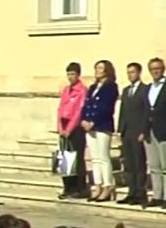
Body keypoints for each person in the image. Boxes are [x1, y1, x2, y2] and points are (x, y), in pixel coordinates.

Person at [82, 60, 120, 202]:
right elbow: (87, 105)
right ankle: (97, 185)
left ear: (107, 71)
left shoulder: (111, 87)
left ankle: (107, 185)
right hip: (89, 126)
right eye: (96, 68)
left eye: (100, 68)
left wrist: (94, 121)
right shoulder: (92, 87)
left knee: (103, 157)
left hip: (102, 125)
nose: (97, 70)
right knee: (95, 158)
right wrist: (84, 119)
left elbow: (106, 107)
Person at [143, 57, 166, 208]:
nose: (155, 71)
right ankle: (157, 195)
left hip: (164, 130)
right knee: (154, 165)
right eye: (152, 69)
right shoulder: (148, 88)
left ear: (163, 69)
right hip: (149, 131)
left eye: (158, 68)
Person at [116, 62, 149, 205]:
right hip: (127, 131)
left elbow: (146, 112)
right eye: (128, 72)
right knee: (129, 163)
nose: (131, 75)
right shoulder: (126, 90)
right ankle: (131, 191)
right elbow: (123, 111)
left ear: (139, 73)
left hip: (138, 131)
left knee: (139, 163)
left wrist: (143, 130)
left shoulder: (144, 90)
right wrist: (120, 129)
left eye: (133, 72)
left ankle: (140, 192)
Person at [56, 62, 88, 200]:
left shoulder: (82, 90)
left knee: (77, 158)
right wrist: (60, 127)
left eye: (73, 74)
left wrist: (69, 129)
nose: (70, 77)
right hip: (64, 124)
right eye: (68, 74)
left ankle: (79, 188)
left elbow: (79, 111)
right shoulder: (65, 90)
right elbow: (60, 108)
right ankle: (67, 187)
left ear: (78, 74)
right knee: (64, 158)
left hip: (75, 127)